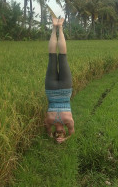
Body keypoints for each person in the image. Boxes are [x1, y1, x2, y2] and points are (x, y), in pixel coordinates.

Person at [44, 16, 75, 144]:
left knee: (62, 57)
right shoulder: (49, 120)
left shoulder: (69, 121)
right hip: (51, 90)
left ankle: (60, 26)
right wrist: (52, 136)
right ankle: (54, 27)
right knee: (52, 57)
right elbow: (48, 131)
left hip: (66, 89)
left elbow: (72, 133)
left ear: (63, 131)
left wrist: (65, 138)